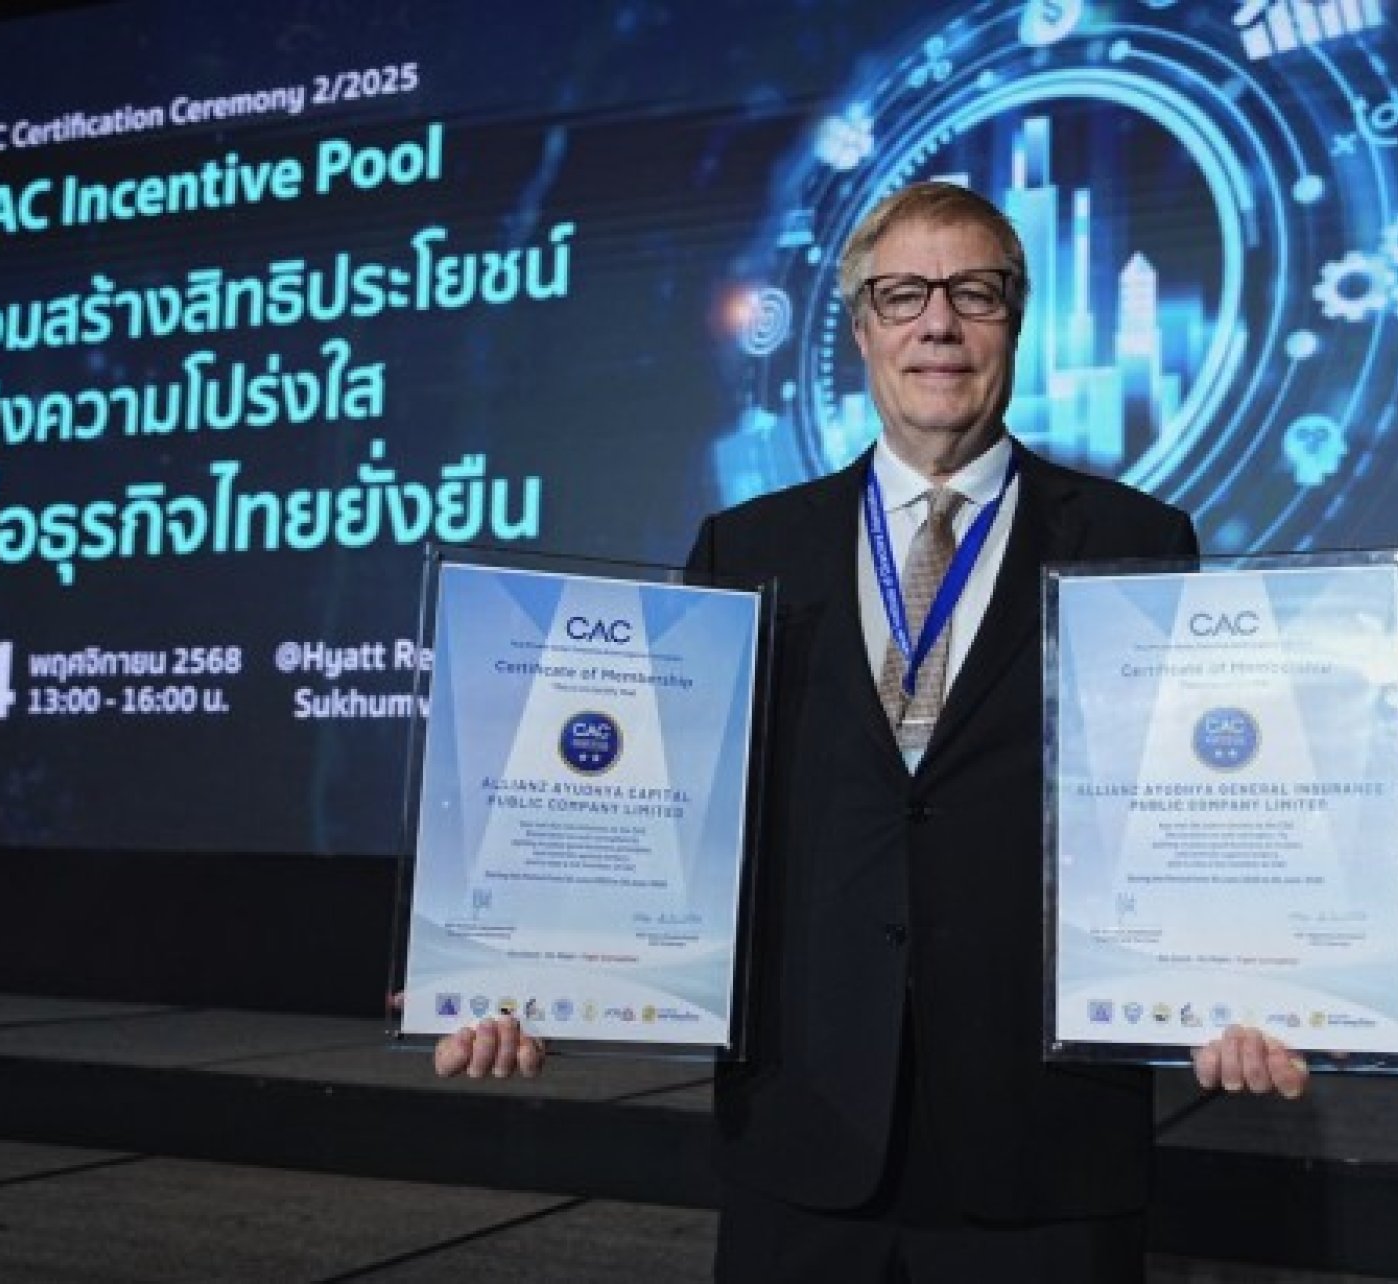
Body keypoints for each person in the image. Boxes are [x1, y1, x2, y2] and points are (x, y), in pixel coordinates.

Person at [437, 181, 1306, 1281]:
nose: (938, 323)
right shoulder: (748, 546)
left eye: (973, 292)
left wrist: (1236, 984)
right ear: (860, 329)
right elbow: (671, 814)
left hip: (1043, 1139)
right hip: (806, 1127)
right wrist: (533, 973)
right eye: (903, 295)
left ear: (1016, 320)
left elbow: (1186, 803)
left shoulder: (1137, 539)